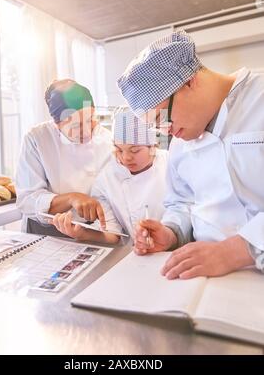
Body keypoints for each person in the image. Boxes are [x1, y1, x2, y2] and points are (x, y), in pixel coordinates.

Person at [117, 30, 264, 278]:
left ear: (189, 81)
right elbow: (182, 202)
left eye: (162, 117)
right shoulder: (179, 142)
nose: (166, 131)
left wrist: (234, 252)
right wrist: (172, 232)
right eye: (155, 125)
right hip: (205, 280)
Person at [48, 109, 169, 244]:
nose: (126, 157)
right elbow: (112, 235)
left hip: (175, 251)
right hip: (133, 256)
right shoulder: (106, 180)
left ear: (153, 145)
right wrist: (81, 233)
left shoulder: (171, 165)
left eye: (135, 150)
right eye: (119, 149)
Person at [16, 79, 113, 235]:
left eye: (90, 120)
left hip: (91, 230)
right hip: (45, 230)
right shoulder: (37, 139)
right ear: (57, 124)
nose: (87, 132)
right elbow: (27, 200)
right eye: (76, 126)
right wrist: (71, 199)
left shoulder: (109, 140)